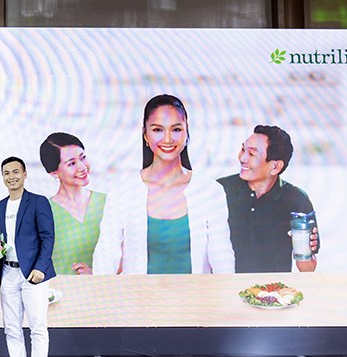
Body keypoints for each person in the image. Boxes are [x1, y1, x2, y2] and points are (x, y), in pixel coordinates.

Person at [92, 94, 234, 274]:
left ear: (186, 132)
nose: (167, 139)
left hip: (197, 292)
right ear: (145, 135)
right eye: (158, 130)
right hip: (138, 293)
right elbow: (106, 259)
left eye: (176, 129)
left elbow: (222, 259)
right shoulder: (122, 192)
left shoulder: (210, 191)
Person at [0, 156, 56, 357]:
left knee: (38, 327)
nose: (11, 177)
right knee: (11, 328)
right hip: (8, 272)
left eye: (15, 172)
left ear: (25, 174)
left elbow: (48, 237)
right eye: (6, 173)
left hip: (34, 274)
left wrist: (41, 268)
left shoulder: (38, 202)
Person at [217, 125, 319, 273]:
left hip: (272, 286)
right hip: (225, 284)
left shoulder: (296, 199)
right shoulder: (220, 190)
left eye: (252, 154)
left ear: (276, 166)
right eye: (243, 149)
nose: (242, 158)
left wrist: (305, 247)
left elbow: (307, 270)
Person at [39, 132, 106, 279]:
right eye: (71, 163)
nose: (82, 167)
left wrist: (98, 273)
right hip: (59, 290)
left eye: (83, 157)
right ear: (54, 172)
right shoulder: (44, 212)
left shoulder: (107, 203)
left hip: (104, 290)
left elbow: (127, 255)